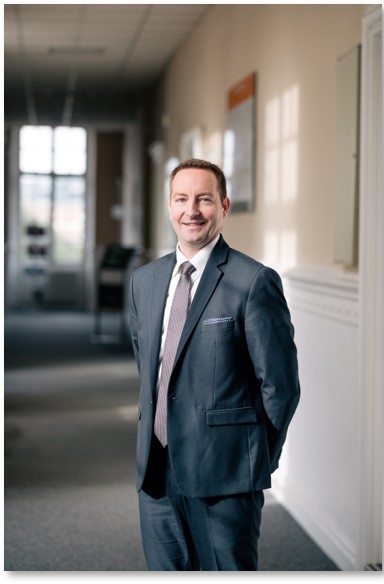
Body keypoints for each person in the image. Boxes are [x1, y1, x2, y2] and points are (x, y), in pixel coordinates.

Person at [129, 158, 300, 571]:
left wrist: (255, 459)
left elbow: (281, 387)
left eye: (204, 199)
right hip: (156, 471)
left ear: (224, 207)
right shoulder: (145, 281)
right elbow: (150, 371)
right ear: (169, 206)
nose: (192, 210)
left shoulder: (253, 281)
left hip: (226, 475)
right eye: (182, 199)